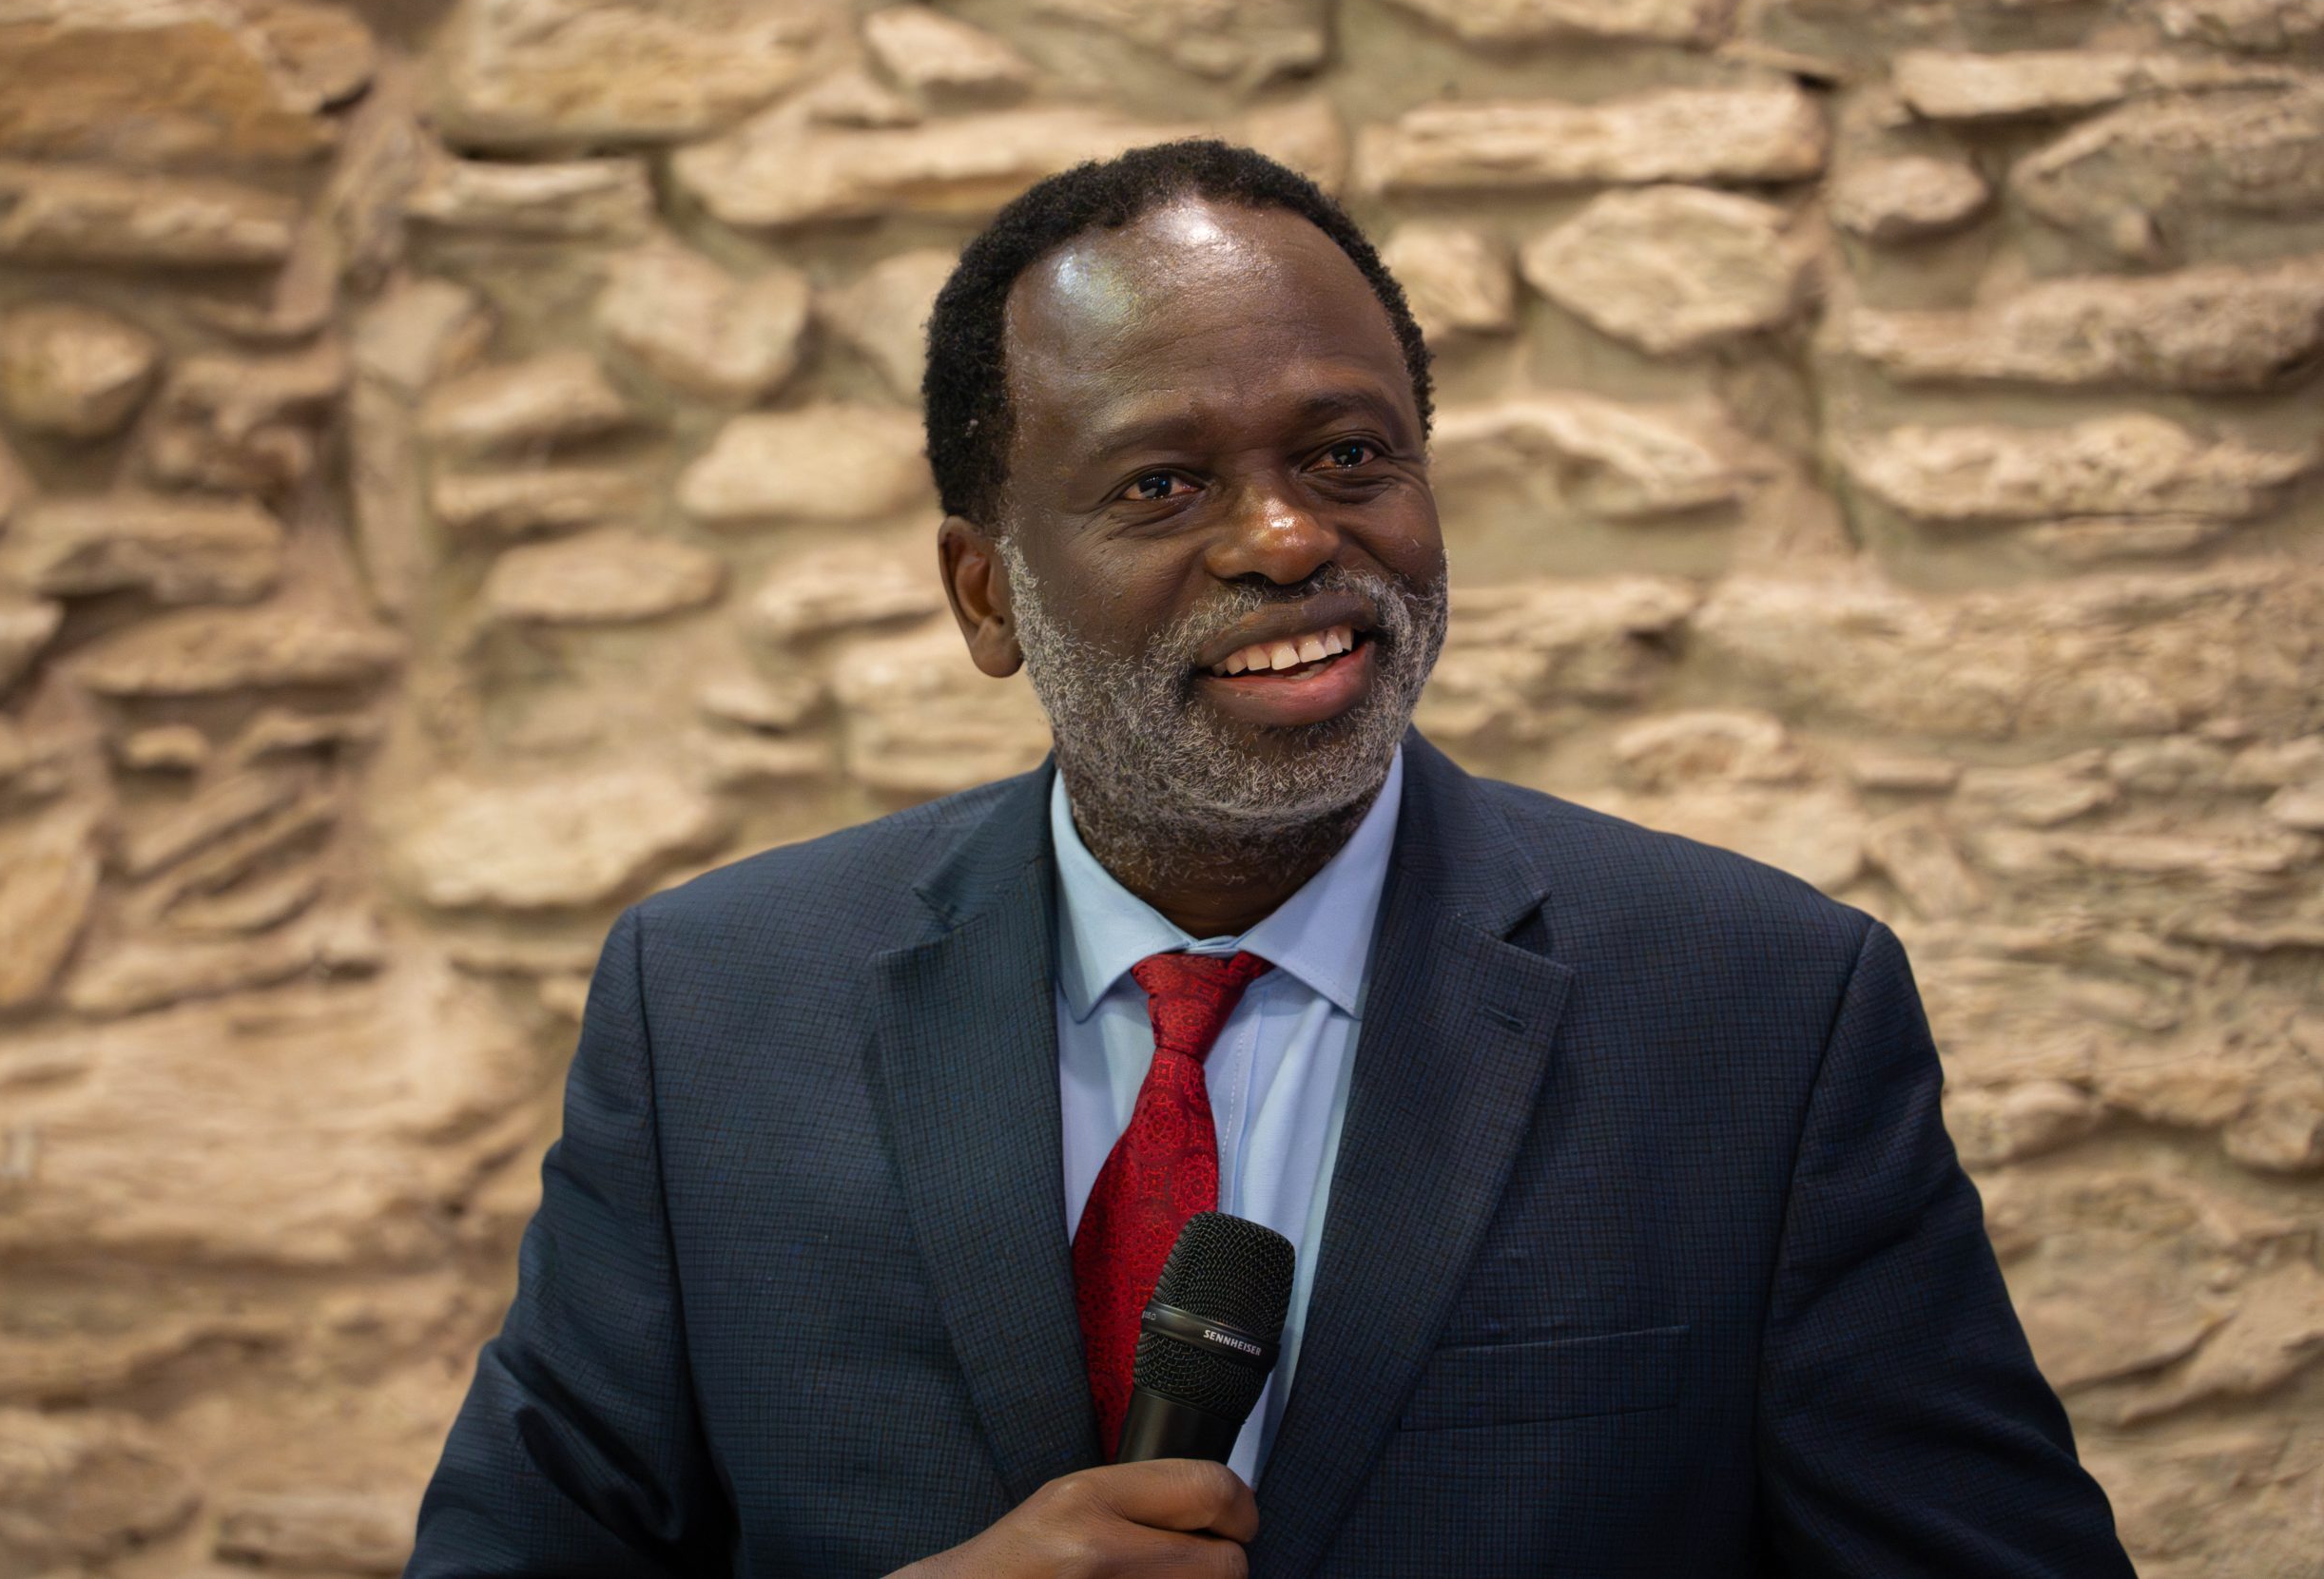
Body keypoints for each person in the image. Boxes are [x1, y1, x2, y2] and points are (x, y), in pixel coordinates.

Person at [404, 142, 2135, 1578]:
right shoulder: (712, 1007)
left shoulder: (1761, 1012)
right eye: (1161, 485)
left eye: (1348, 455)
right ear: (987, 595)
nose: (1292, 538)